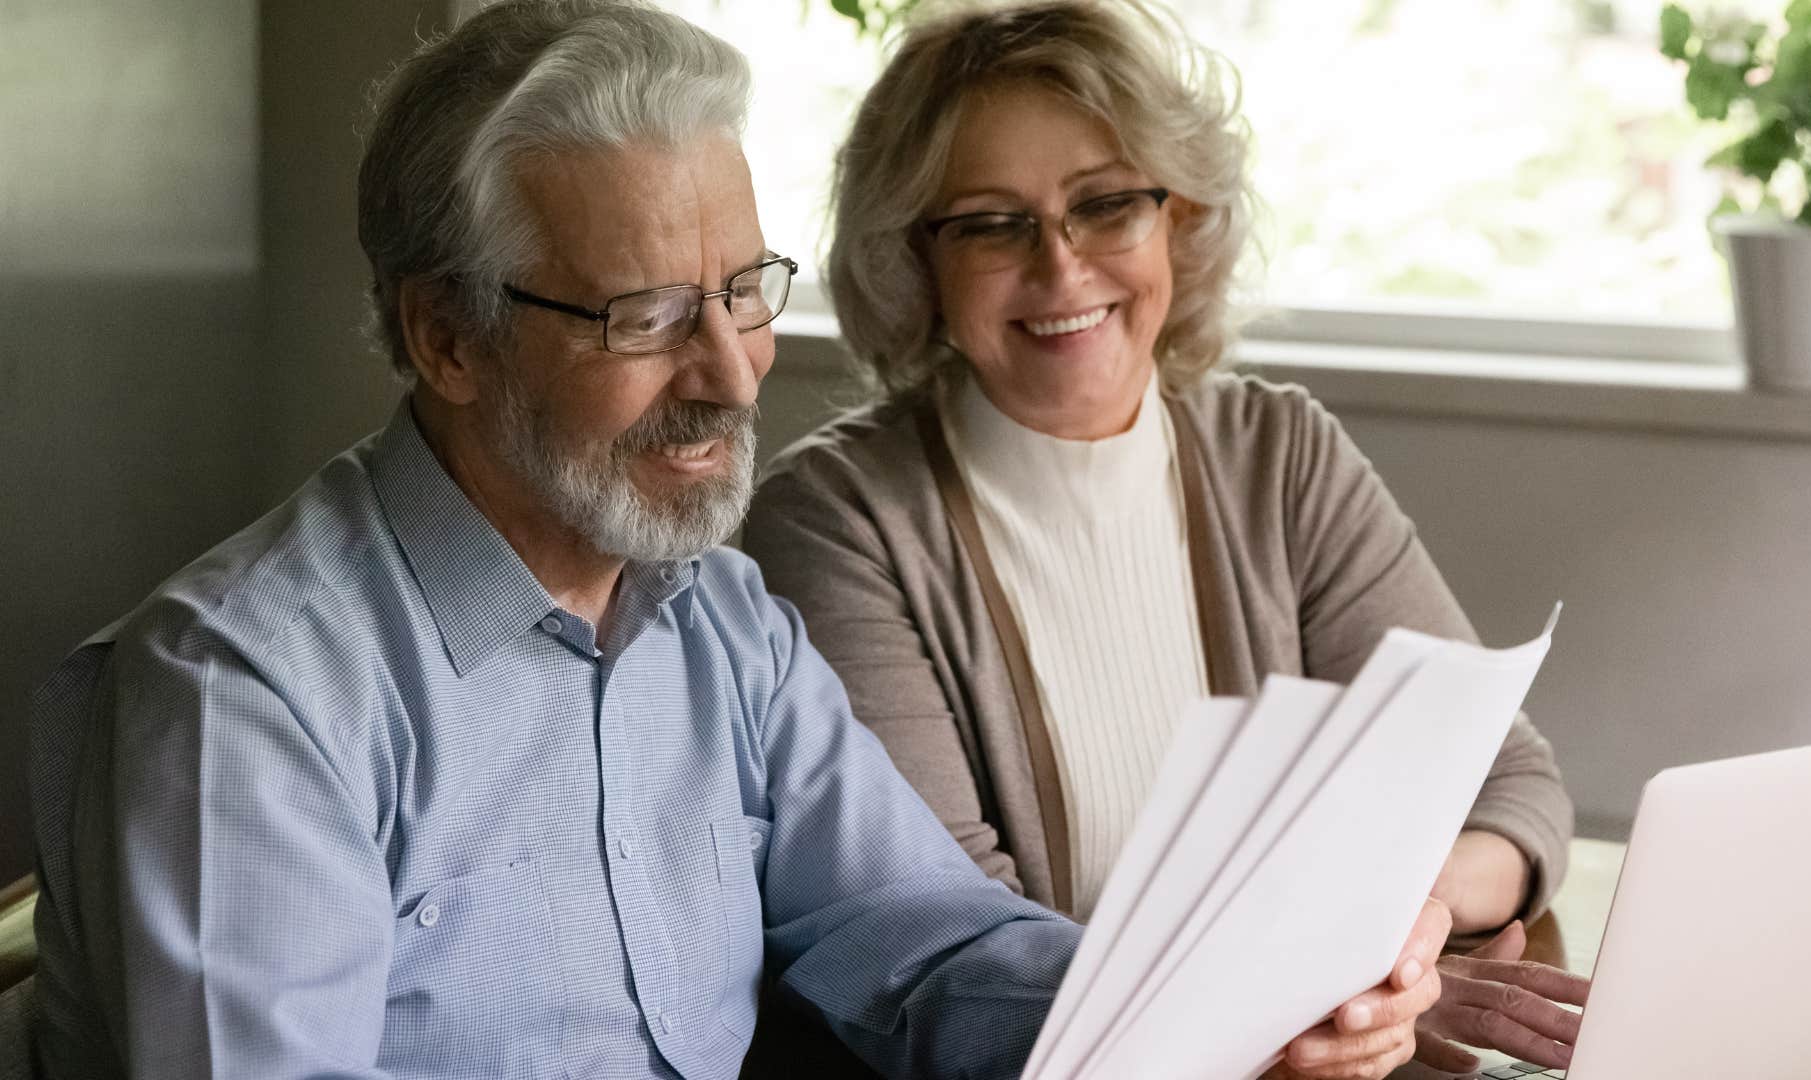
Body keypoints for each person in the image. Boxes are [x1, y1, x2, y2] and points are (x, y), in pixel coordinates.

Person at [26, 2, 1451, 1078]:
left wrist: (1223, 1024)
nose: (730, 372)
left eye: (744, 292)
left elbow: (933, 946)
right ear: (448, 337)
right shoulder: (248, 695)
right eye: (646, 315)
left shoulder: (720, 620)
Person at [742, 0, 1587, 1072]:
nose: (1062, 268)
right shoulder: (836, 522)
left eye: (1106, 205)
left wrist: (1401, 937)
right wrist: (1295, 991)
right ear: (918, 259)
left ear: (1178, 219)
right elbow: (951, 947)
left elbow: (1510, 785)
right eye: (992, 224)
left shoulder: (1279, 455)